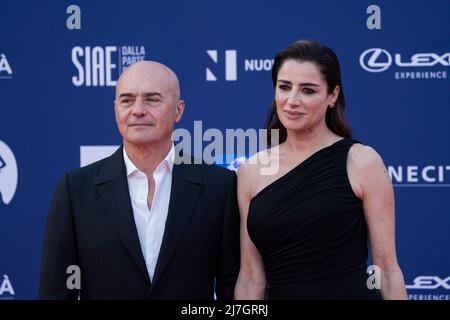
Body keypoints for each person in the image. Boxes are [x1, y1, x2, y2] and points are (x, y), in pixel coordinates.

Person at [38, 61, 240, 299]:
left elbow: (232, 285)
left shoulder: (219, 186)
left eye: (152, 99)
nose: (137, 110)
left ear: (179, 110)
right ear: (115, 110)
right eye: (126, 100)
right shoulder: (76, 190)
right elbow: (56, 291)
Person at [234, 40, 407, 300]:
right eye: (284, 87)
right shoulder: (251, 171)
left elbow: (386, 268)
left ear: (332, 95)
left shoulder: (362, 161)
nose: (292, 100)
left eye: (308, 90)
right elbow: (250, 277)